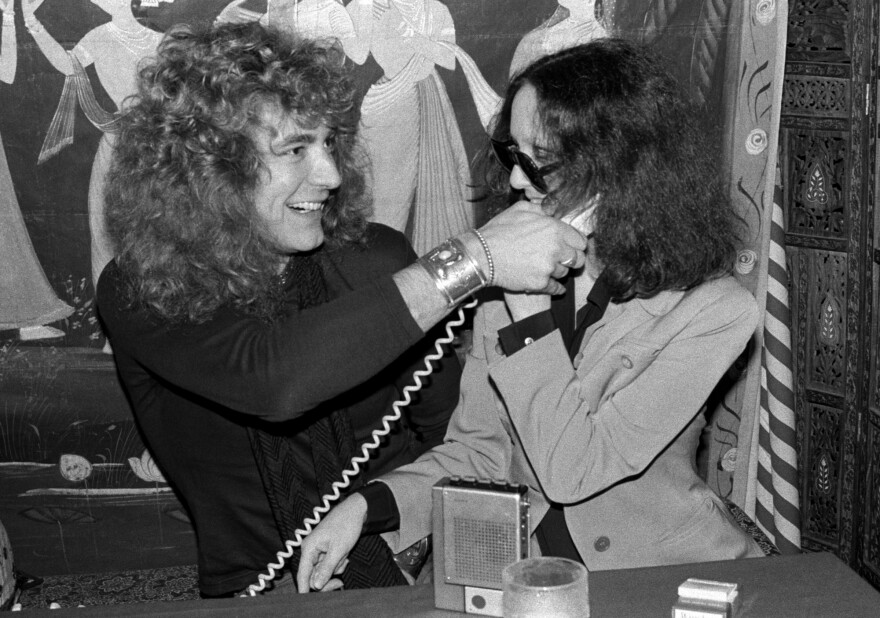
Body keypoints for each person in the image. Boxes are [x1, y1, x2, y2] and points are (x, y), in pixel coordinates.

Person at [96, 22, 586, 597]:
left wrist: (419, 553)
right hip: (260, 590)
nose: (328, 174)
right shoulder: (144, 288)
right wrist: (471, 259)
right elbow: (274, 379)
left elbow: (449, 435)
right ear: (207, 168)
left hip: (408, 564)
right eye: (295, 150)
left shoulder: (375, 260)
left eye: (329, 143)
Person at [296, 37, 767, 594]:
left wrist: (525, 309)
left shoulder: (715, 312)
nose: (518, 181)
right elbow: (482, 450)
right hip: (523, 578)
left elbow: (574, 470)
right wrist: (366, 506)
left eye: (538, 162)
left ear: (617, 170)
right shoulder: (511, 282)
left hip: (659, 577)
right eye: (512, 155)